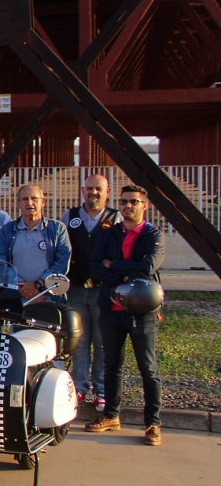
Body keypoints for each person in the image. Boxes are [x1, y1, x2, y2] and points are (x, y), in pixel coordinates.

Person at [85, 185, 165, 447]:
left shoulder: (153, 235)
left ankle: (153, 423)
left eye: (133, 202)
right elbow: (95, 266)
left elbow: (148, 267)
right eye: (123, 202)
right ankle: (111, 416)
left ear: (145, 205)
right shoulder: (109, 234)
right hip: (111, 310)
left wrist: (115, 266)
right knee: (111, 365)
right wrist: (123, 273)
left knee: (148, 368)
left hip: (142, 313)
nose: (127, 206)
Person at [61, 174, 121, 412]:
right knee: (80, 340)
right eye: (89, 189)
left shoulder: (114, 217)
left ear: (107, 192)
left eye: (98, 189)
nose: (93, 193)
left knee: (103, 341)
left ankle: (102, 389)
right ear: (82, 190)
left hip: (103, 289)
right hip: (75, 289)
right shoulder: (70, 216)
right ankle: (80, 386)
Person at [0, 184, 71, 301]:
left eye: (34, 198)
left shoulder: (57, 229)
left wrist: (38, 286)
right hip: (16, 297)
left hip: (48, 297)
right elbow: (1, 263)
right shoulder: (7, 230)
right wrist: (23, 287)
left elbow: (62, 263)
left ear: (43, 202)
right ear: (18, 203)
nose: (29, 203)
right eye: (25, 199)